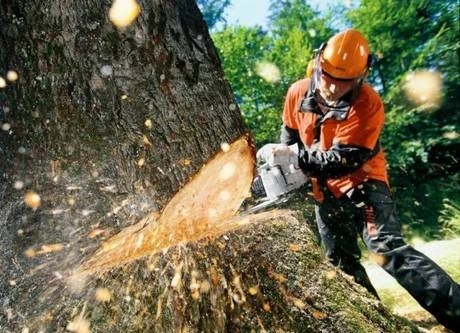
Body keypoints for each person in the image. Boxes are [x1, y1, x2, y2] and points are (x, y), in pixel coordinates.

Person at [280, 28, 460, 330]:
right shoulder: (298, 92)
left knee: (387, 251)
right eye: (327, 77)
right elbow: (289, 135)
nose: (332, 88)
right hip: (323, 192)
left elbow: (342, 161)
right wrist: (283, 161)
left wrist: (296, 159)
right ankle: (374, 324)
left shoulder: (368, 103)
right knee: (341, 263)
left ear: (360, 77)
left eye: (343, 82)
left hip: (365, 185)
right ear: (318, 64)